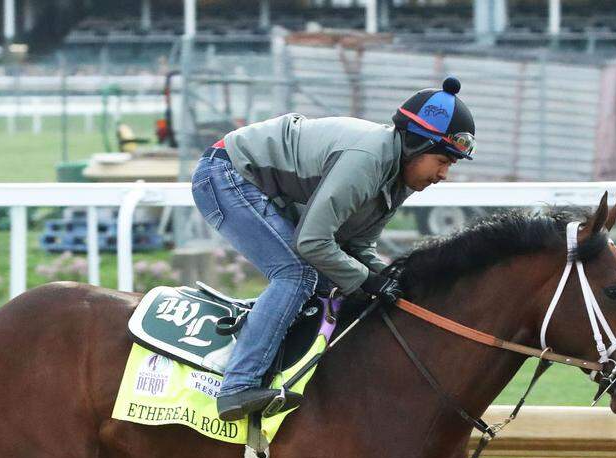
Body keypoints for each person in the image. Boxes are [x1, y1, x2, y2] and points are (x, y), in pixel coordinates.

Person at [191, 77, 476, 420]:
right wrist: (367, 280)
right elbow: (312, 242)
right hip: (227, 172)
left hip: (266, 186)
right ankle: (238, 386)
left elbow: (357, 245)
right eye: (443, 161)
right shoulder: (367, 160)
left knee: (329, 283)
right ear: (416, 144)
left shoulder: (401, 177)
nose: (444, 174)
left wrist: (390, 279)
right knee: (296, 275)